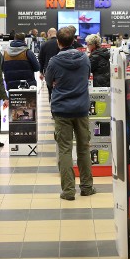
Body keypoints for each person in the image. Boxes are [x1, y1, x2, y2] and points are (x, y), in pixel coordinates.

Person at [45, 27, 96, 201]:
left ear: (58, 43)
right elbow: (88, 75)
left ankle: (68, 191)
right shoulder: (84, 59)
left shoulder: (53, 62)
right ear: (74, 40)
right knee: (83, 148)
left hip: (61, 110)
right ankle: (87, 187)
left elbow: (49, 82)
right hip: (81, 109)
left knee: (65, 150)